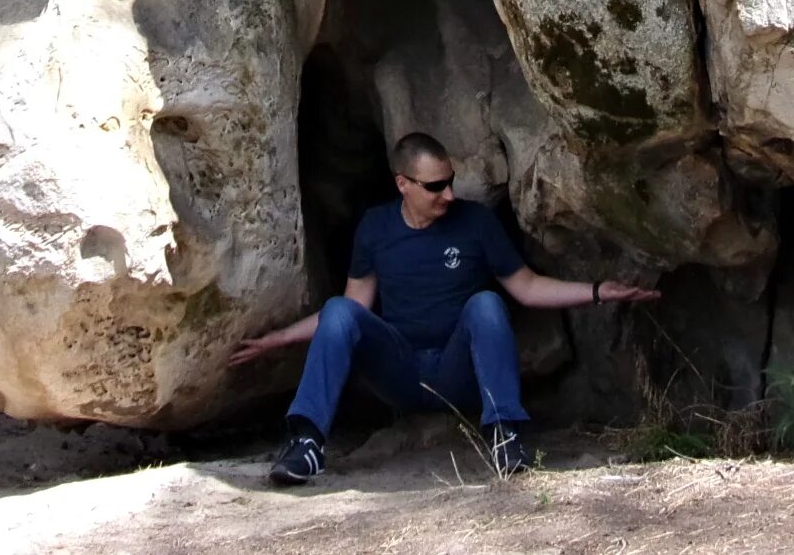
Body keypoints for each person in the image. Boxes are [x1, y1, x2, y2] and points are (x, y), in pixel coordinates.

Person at [227, 130, 660, 485]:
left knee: (487, 303)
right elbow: (352, 309)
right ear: (403, 184)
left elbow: (526, 288)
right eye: (435, 186)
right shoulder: (376, 227)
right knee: (340, 308)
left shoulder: (475, 223)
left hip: (459, 372)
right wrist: (279, 339)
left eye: (450, 181)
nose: (449, 194)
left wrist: (600, 290)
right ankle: (306, 443)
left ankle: (505, 436)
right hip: (401, 371)